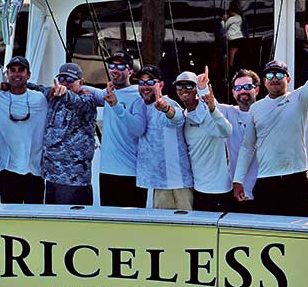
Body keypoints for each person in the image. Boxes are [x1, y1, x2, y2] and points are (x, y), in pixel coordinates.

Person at [233, 25, 308, 217]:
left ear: (288, 79)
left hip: (297, 178)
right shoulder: (256, 108)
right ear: (264, 82)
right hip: (267, 181)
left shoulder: (300, 99)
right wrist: (238, 180)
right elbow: (248, 147)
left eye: (280, 74)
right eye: (270, 75)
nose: (275, 79)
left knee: (305, 232)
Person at [121, 65, 193, 210]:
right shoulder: (139, 106)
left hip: (178, 184)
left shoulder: (168, 103)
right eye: (141, 83)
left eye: (150, 82)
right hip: (157, 186)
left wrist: (166, 109)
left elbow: (178, 118)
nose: (145, 86)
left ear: (160, 85)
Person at [37, 62, 106, 206]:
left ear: (81, 82)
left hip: (74, 181)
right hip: (51, 178)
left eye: (70, 80)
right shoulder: (53, 95)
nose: (65, 83)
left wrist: (64, 93)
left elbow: (75, 101)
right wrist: (3, 86)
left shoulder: (87, 100)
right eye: (62, 79)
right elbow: (36, 88)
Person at [0, 55, 48, 204]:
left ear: (28, 75)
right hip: (7, 171)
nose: (16, 74)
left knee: (35, 219)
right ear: (7, 74)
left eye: (21, 70)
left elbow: (63, 91)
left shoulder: (40, 99)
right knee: (10, 221)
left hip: (35, 171)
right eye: (12, 70)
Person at [175, 68, 234, 212]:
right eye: (179, 86)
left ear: (196, 89)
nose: (184, 89)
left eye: (189, 85)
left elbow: (226, 131)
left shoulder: (209, 107)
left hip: (221, 190)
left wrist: (211, 105)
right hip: (198, 189)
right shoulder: (183, 116)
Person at [96, 50, 147, 208]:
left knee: (132, 226)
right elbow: (91, 92)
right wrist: (72, 85)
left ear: (130, 71)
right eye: (112, 65)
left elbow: (139, 129)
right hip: (106, 172)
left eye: (120, 66)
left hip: (130, 174)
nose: (115, 69)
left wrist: (116, 106)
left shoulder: (138, 96)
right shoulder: (108, 93)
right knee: (109, 225)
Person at [217, 68, 261, 212]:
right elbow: (209, 105)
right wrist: (202, 86)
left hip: (263, 189)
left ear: (257, 90)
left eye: (248, 87)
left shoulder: (264, 112)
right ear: (233, 92)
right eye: (238, 88)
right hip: (236, 189)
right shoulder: (228, 112)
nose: (243, 91)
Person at [223, 1, 245, 69]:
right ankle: (233, 64)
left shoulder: (232, 19)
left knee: (231, 53)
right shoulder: (239, 17)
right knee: (235, 52)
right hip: (239, 37)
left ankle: (230, 65)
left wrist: (223, 20)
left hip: (233, 38)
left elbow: (224, 27)